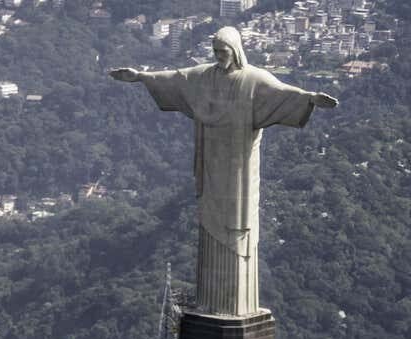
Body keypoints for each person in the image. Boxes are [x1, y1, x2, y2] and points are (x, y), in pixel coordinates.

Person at [110, 26, 337, 316]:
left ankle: (236, 306)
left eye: (224, 52)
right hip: (210, 161)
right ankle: (211, 304)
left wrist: (310, 98)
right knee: (209, 220)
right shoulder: (204, 77)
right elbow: (176, 79)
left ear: (236, 51)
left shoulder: (252, 80)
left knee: (236, 225)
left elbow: (281, 93)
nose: (219, 57)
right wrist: (141, 77)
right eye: (216, 52)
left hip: (239, 169)